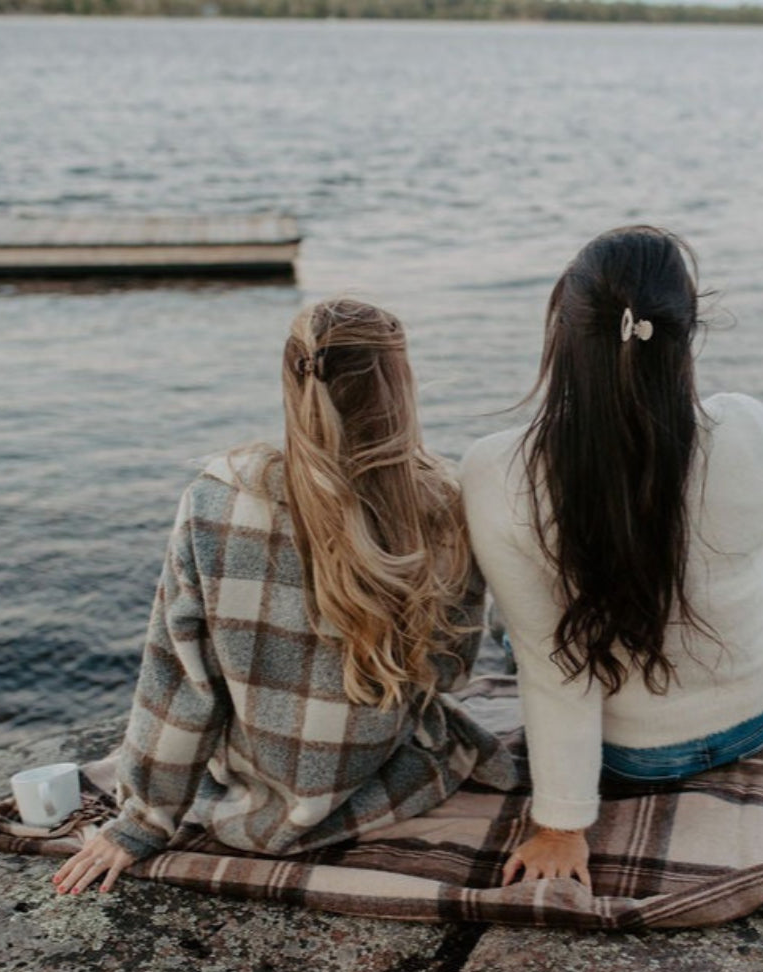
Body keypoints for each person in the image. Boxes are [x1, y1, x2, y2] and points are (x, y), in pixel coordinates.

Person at [54, 297, 517, 897]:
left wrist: (140, 824)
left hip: (252, 787)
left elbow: (183, 684)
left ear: (294, 380)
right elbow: (449, 671)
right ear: (400, 384)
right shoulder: (445, 500)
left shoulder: (216, 500)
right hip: (384, 777)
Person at [461, 226, 763, 888]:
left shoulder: (499, 471)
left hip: (638, 755)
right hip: (761, 712)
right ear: (686, 327)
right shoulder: (746, 424)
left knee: (519, 630)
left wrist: (561, 826)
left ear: (563, 333)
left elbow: (556, 667)